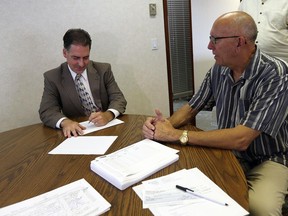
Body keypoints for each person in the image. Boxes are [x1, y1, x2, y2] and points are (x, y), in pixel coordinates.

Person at [143, 11, 288, 216]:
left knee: (260, 209)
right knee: (192, 196)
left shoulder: (276, 74)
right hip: (228, 153)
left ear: (239, 42)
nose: (209, 46)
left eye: (215, 40)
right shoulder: (219, 69)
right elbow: (191, 107)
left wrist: (177, 135)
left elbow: (241, 139)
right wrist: (163, 126)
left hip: (268, 158)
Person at [39, 28, 127, 138]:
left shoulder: (103, 69)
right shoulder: (52, 77)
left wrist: (107, 115)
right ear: (65, 53)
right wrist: (65, 122)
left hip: (106, 128)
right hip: (77, 133)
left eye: (86, 57)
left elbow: (118, 98)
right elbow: (47, 110)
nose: (81, 64)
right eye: (75, 58)